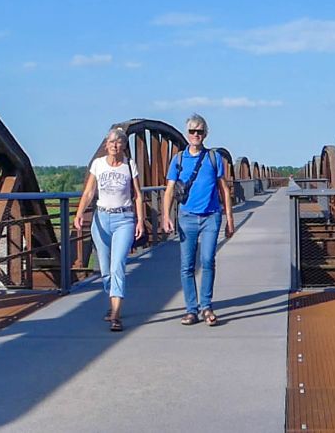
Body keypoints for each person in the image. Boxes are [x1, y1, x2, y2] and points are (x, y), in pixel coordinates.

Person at [162, 114, 235, 326]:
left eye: (200, 131)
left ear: (206, 134)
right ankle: (191, 309)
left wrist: (230, 219)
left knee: (208, 261)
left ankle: (206, 307)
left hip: (211, 216)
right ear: (187, 134)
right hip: (186, 218)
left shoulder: (214, 158)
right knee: (187, 265)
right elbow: (168, 190)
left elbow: (224, 189)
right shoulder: (178, 160)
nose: (196, 135)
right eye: (192, 131)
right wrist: (166, 216)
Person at [75, 127, 145, 332]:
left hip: (124, 218)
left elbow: (138, 195)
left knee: (117, 266)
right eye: (112, 142)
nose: (115, 146)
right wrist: (79, 213)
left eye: (119, 142)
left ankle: (116, 315)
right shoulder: (98, 165)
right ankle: (112, 301)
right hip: (101, 218)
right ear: (106, 145)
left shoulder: (129, 165)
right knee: (105, 270)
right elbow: (89, 192)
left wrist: (140, 220)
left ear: (124, 145)